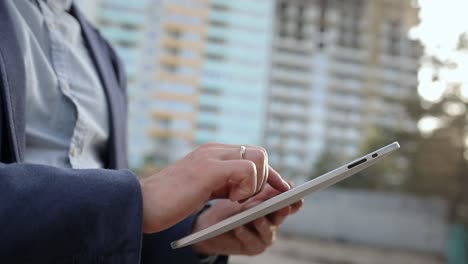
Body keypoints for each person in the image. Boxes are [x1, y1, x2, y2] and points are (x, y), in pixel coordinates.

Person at [0, 1, 303, 263]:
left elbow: (110, 238)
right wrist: (136, 199)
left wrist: (196, 233)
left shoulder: (105, 57)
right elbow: (123, 205)